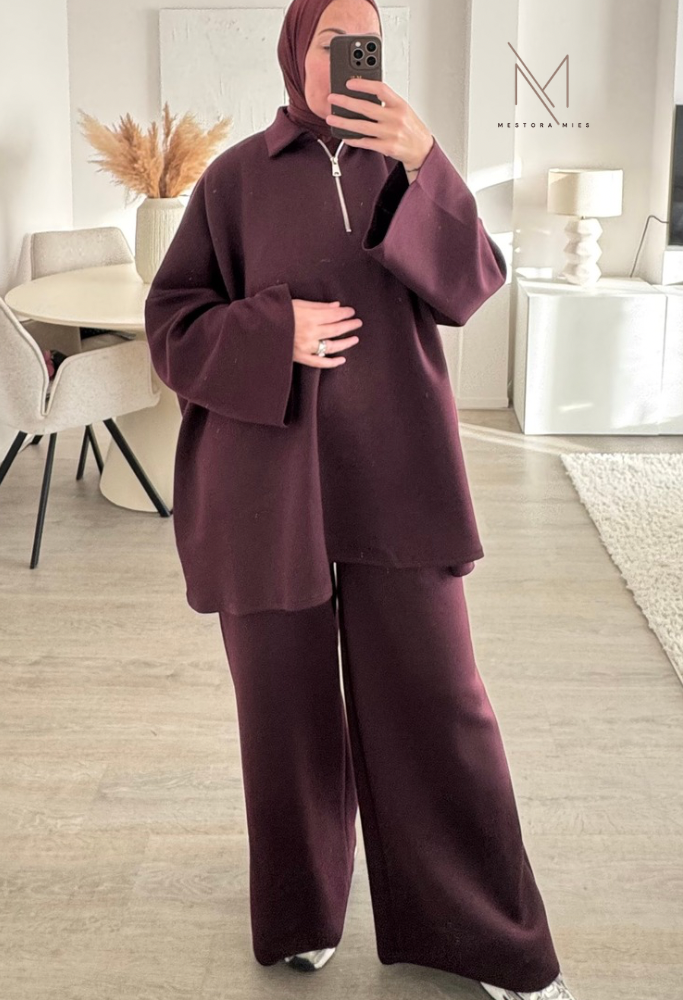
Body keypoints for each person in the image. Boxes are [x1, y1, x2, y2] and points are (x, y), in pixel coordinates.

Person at [143, 2, 580, 998]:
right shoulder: (232, 180)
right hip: (265, 483)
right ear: (294, 51)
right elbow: (171, 326)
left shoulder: (404, 166)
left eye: (361, 41)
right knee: (283, 710)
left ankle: (487, 936)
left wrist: (427, 162)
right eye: (327, 41)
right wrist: (276, 332)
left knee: (439, 700)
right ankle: (302, 908)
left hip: (399, 472)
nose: (343, 58)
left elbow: (472, 285)